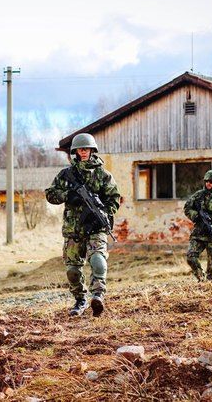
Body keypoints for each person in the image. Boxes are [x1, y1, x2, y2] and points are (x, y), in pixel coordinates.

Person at [45, 133, 121, 317]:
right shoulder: (66, 175)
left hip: (96, 229)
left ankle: (97, 296)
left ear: (92, 150)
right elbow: (50, 194)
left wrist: (103, 213)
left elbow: (115, 199)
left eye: (86, 149)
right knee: (72, 270)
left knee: (98, 261)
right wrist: (68, 195)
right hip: (73, 229)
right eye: (80, 149)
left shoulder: (103, 175)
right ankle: (80, 300)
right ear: (75, 152)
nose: (84, 152)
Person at [183, 170, 212, 282]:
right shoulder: (199, 195)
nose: (208, 184)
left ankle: (209, 288)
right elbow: (187, 207)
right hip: (199, 233)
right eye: (207, 181)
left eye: (211, 181)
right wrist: (195, 215)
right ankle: (201, 278)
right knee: (191, 257)